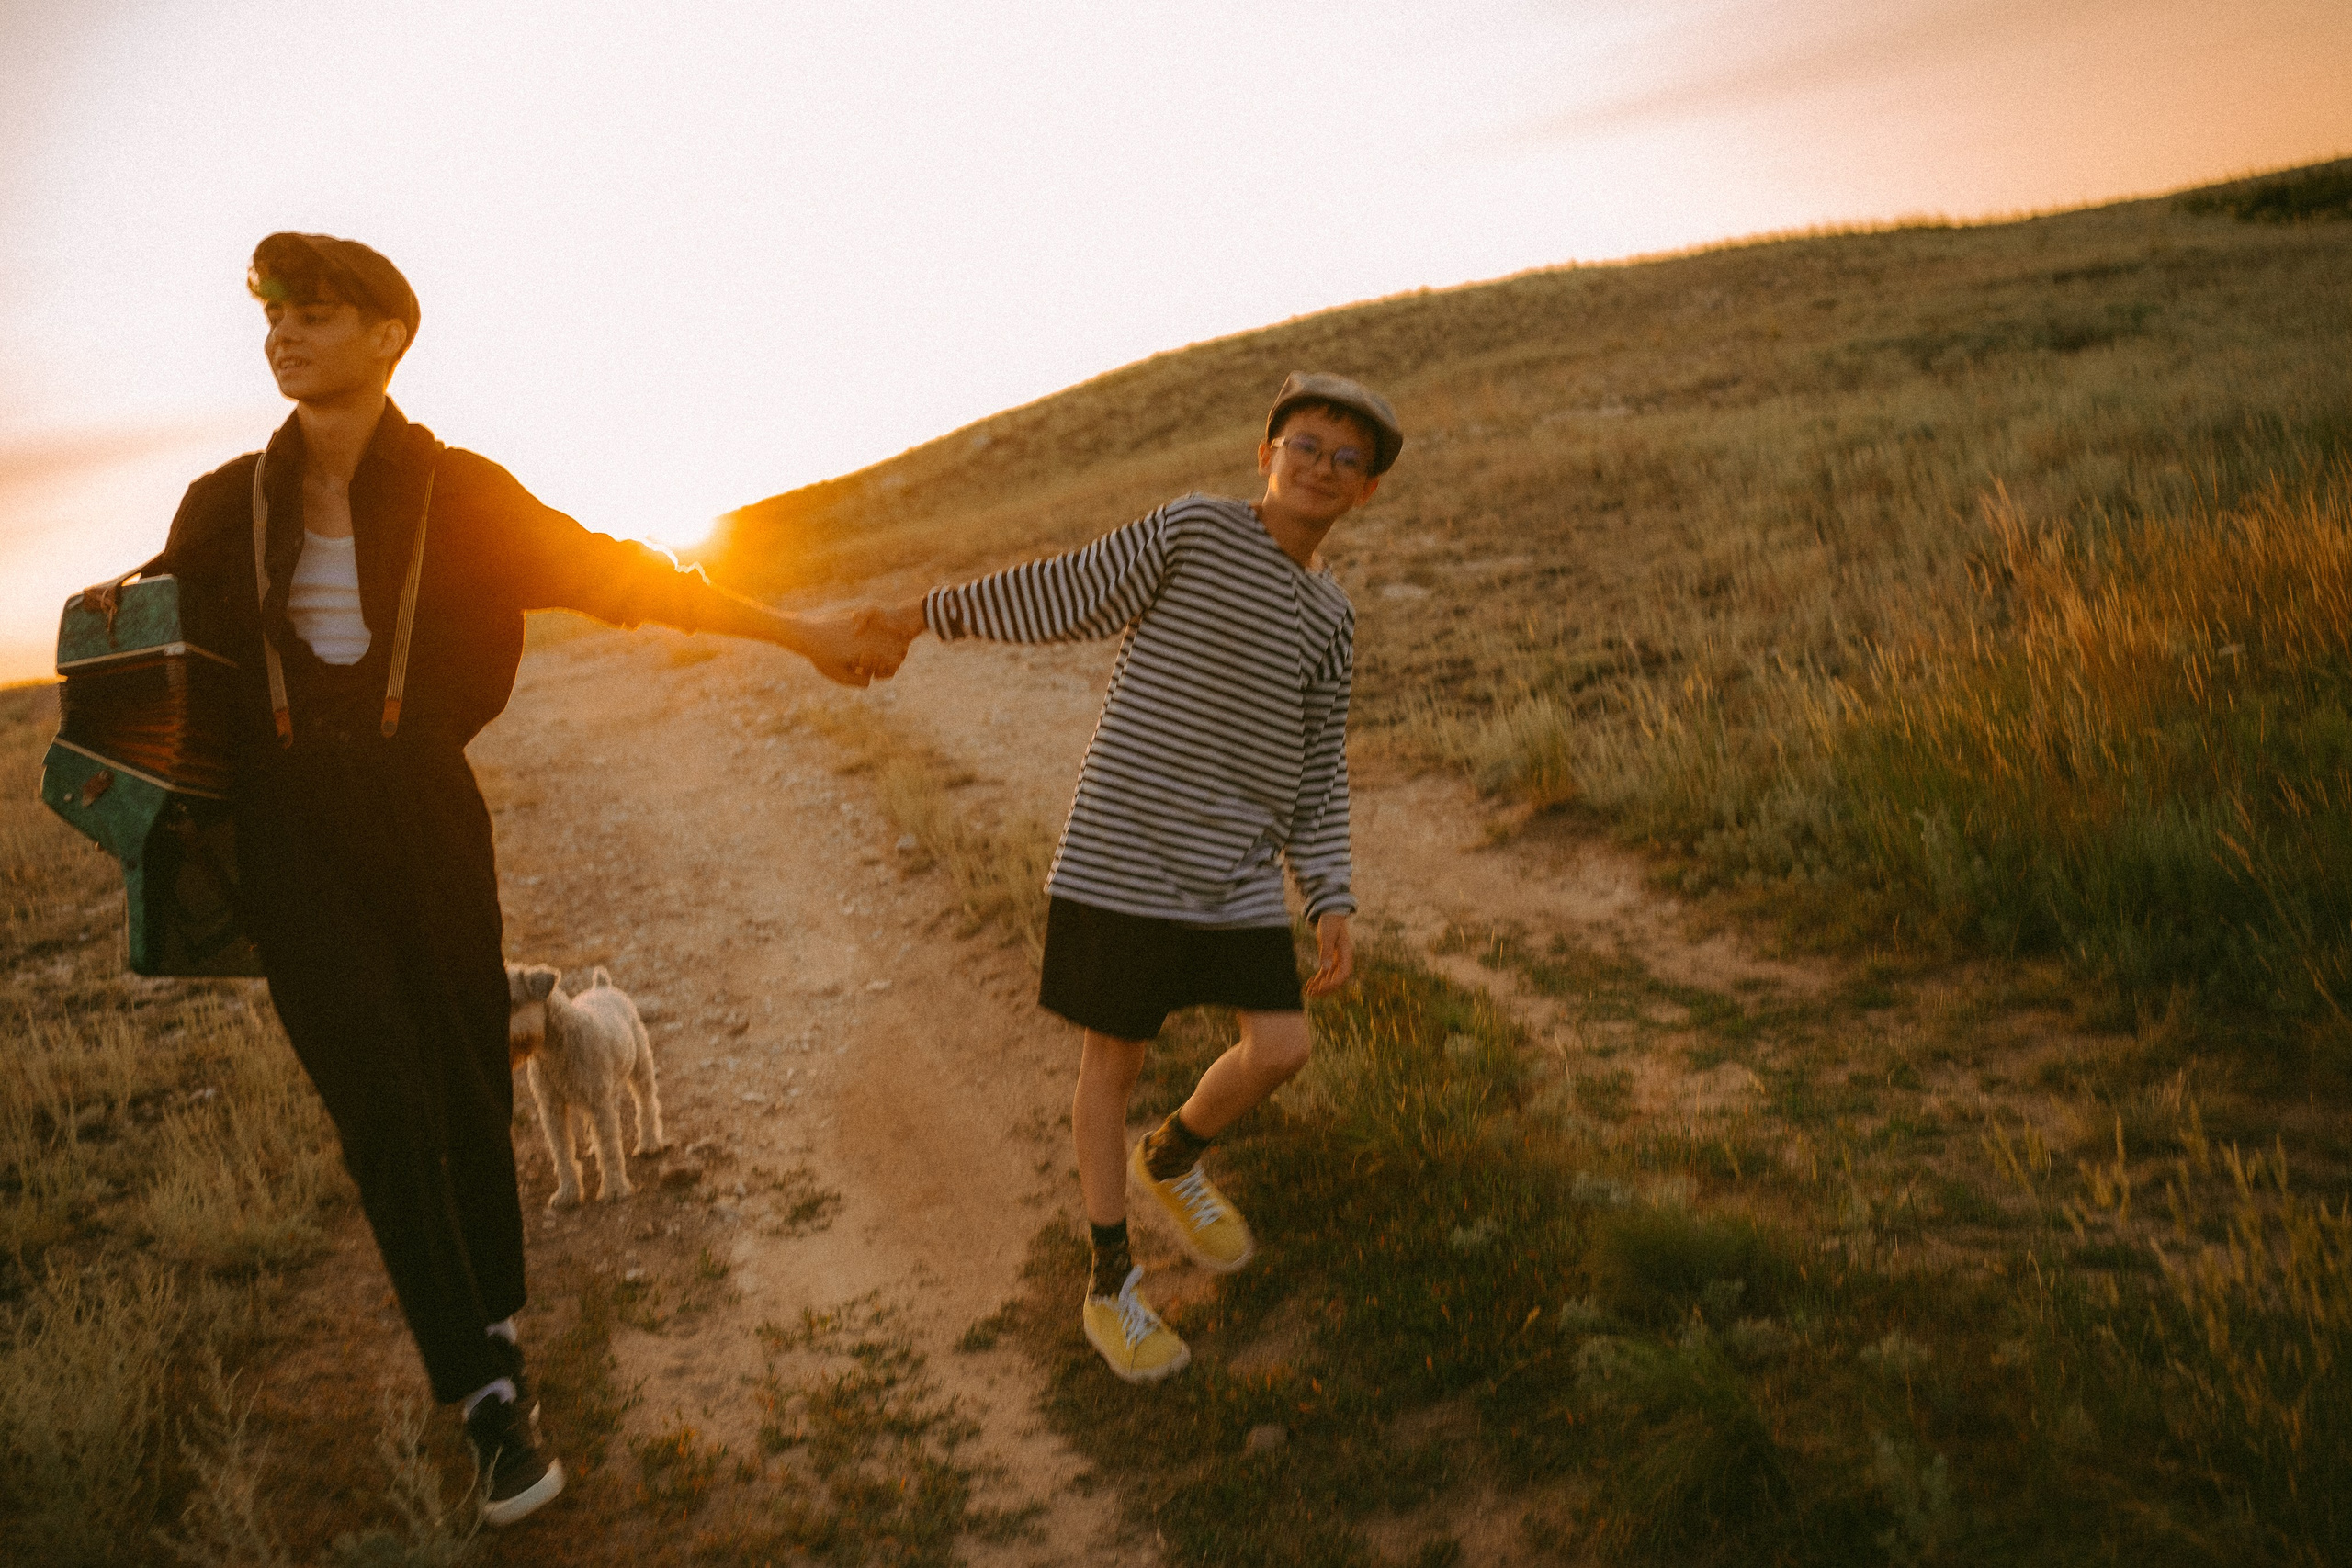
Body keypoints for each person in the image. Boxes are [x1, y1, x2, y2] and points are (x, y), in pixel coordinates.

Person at [142, 232, 903, 1526]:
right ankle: (488, 1398)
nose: (282, 336)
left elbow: (629, 577)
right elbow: (153, 666)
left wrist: (805, 632)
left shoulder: (461, 491)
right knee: (378, 1104)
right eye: (273, 317)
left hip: (426, 815)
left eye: (314, 315)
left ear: (389, 336)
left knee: (459, 1076)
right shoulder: (223, 503)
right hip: (287, 839)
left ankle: (491, 1305)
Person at [863, 371, 1400, 1382]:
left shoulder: (1331, 618)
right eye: (1307, 445)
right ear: (1265, 456)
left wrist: (1328, 892)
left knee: (1281, 1046)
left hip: (1235, 866)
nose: (1323, 466)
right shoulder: (1195, 531)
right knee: (1109, 1066)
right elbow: (1064, 591)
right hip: (1123, 853)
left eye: (1348, 459)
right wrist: (922, 611)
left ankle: (1176, 1153)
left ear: (1364, 491)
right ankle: (1110, 1282)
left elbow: (1318, 762)